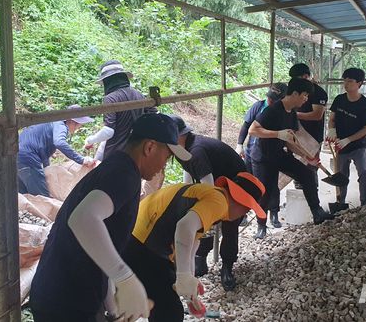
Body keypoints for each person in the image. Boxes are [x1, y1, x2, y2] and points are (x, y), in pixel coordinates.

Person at [29, 113, 191, 322]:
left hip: (65, 293)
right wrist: (124, 277)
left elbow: (103, 240)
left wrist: (113, 309)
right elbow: (83, 219)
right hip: (67, 299)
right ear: (149, 147)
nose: (164, 166)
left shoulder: (117, 166)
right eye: (167, 157)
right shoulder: (123, 173)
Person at [122, 172, 265, 322]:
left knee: (158, 305)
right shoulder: (219, 202)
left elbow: (189, 247)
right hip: (141, 243)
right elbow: (184, 228)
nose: (244, 214)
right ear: (240, 200)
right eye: (247, 209)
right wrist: (183, 275)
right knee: (169, 312)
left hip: (138, 239)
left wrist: (190, 294)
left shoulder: (212, 195)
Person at [249, 78, 335, 239]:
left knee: (307, 174)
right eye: (304, 95)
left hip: (279, 154)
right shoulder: (273, 110)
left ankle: (317, 213)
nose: (306, 99)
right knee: (266, 192)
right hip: (262, 157)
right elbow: (253, 130)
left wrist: (307, 156)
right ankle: (261, 226)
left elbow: (290, 141)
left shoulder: (292, 113)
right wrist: (276, 134)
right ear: (294, 93)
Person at [169, 114, 245, 291]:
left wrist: (203, 212)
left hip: (237, 185)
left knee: (228, 224)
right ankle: (201, 259)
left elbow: (208, 187)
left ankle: (227, 267)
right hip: (217, 183)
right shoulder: (181, 148)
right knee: (201, 218)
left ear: (179, 136)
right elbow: (189, 174)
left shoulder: (196, 151)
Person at [84, 60, 158, 160]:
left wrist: (90, 140)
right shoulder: (138, 94)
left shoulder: (110, 98)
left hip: (117, 154)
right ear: (123, 77)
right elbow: (154, 114)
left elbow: (108, 131)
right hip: (137, 151)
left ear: (107, 81)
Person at [17, 104, 96, 196]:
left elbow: (40, 145)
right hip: (28, 158)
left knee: (24, 195)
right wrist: (81, 159)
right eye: (79, 125)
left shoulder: (50, 121)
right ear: (72, 121)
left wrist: (47, 164)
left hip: (15, 155)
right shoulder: (61, 125)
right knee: (42, 198)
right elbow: (59, 142)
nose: (78, 128)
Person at [326, 68, 366, 206]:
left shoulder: (365, 105)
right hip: (340, 145)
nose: (346, 84)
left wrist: (349, 139)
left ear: (359, 83)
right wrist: (331, 130)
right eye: (344, 81)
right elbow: (332, 118)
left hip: (358, 146)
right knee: (341, 176)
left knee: (364, 173)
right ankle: (340, 201)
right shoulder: (339, 99)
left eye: (350, 81)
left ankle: (364, 201)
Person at [290, 63, 328, 188]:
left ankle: (312, 198)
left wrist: (295, 115)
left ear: (306, 76)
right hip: (296, 134)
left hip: (312, 136)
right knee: (297, 169)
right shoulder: (294, 90)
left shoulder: (318, 92)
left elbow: (317, 115)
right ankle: (298, 196)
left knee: (311, 168)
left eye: (297, 78)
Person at [236, 83, 287, 173]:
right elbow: (246, 125)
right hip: (250, 150)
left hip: (266, 154)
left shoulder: (283, 113)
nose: (270, 100)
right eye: (269, 97)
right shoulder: (259, 106)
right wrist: (239, 145)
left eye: (274, 99)